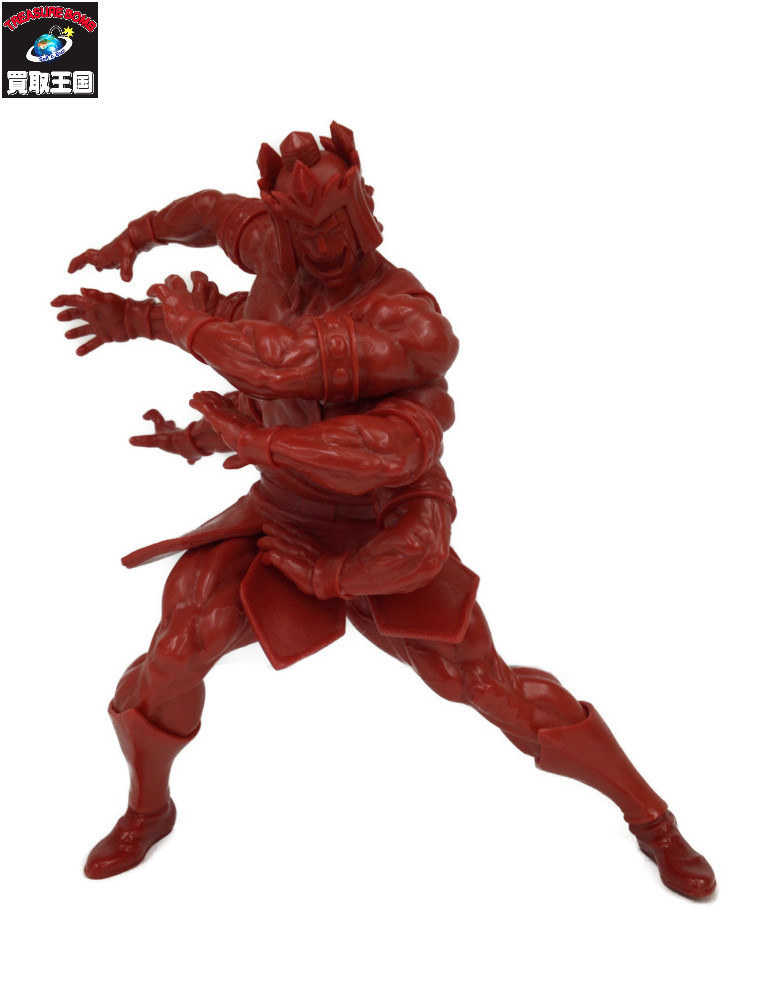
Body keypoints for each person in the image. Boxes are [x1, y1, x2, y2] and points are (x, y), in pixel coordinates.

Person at [53, 123, 715, 897]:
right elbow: (208, 215)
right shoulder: (274, 249)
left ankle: (650, 817)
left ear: (364, 213)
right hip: (284, 514)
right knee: (173, 651)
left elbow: (296, 381)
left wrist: (176, 332)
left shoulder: (410, 322)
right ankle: (148, 808)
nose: (320, 247)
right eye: (303, 233)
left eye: (333, 228)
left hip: (385, 526)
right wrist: (138, 240)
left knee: (490, 688)